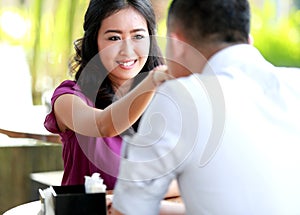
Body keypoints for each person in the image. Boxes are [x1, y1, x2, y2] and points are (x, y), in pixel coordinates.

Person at [112, 0, 300, 214]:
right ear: (248, 41)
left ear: (177, 44)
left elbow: (128, 211)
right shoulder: (295, 84)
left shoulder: (181, 96)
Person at [44, 0, 176, 191]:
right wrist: (153, 80)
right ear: (94, 41)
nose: (127, 50)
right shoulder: (68, 98)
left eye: (138, 36)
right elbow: (102, 125)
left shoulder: (168, 99)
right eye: (114, 38)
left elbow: (191, 177)